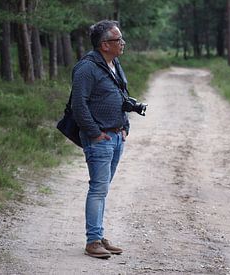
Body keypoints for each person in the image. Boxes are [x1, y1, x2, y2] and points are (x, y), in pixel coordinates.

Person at [71, 20, 130, 259]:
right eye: (118, 40)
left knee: (103, 189)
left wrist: (125, 126)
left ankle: (98, 235)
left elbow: (121, 94)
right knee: (98, 189)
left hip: (116, 136)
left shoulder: (113, 62)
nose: (123, 43)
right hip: (100, 138)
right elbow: (78, 104)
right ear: (105, 44)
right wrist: (95, 133)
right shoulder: (86, 68)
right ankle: (92, 241)